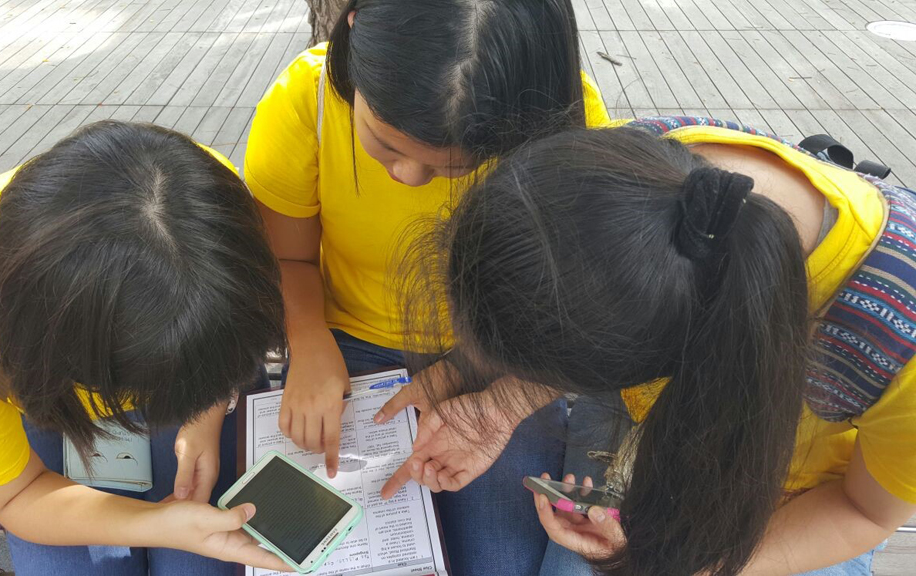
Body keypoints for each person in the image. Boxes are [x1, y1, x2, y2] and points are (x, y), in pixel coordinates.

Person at [385, 120, 916, 576]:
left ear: (667, 360)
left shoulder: (897, 349)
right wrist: (499, 406)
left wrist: (678, 564)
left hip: (799, 501)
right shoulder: (627, 164)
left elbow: (863, 512)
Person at [244, 1, 609, 572]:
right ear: (354, 31)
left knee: (501, 562)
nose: (407, 177)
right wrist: (309, 341)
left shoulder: (562, 118)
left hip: (503, 354)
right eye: (385, 144)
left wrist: (479, 385)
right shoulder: (303, 101)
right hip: (344, 348)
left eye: (448, 167)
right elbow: (287, 258)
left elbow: (572, 301)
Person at [0, 120, 289, 575]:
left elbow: (225, 336)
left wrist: (206, 409)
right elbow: (18, 495)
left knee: (198, 565)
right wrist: (156, 524)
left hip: (181, 371)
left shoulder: (199, 202)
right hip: (33, 403)